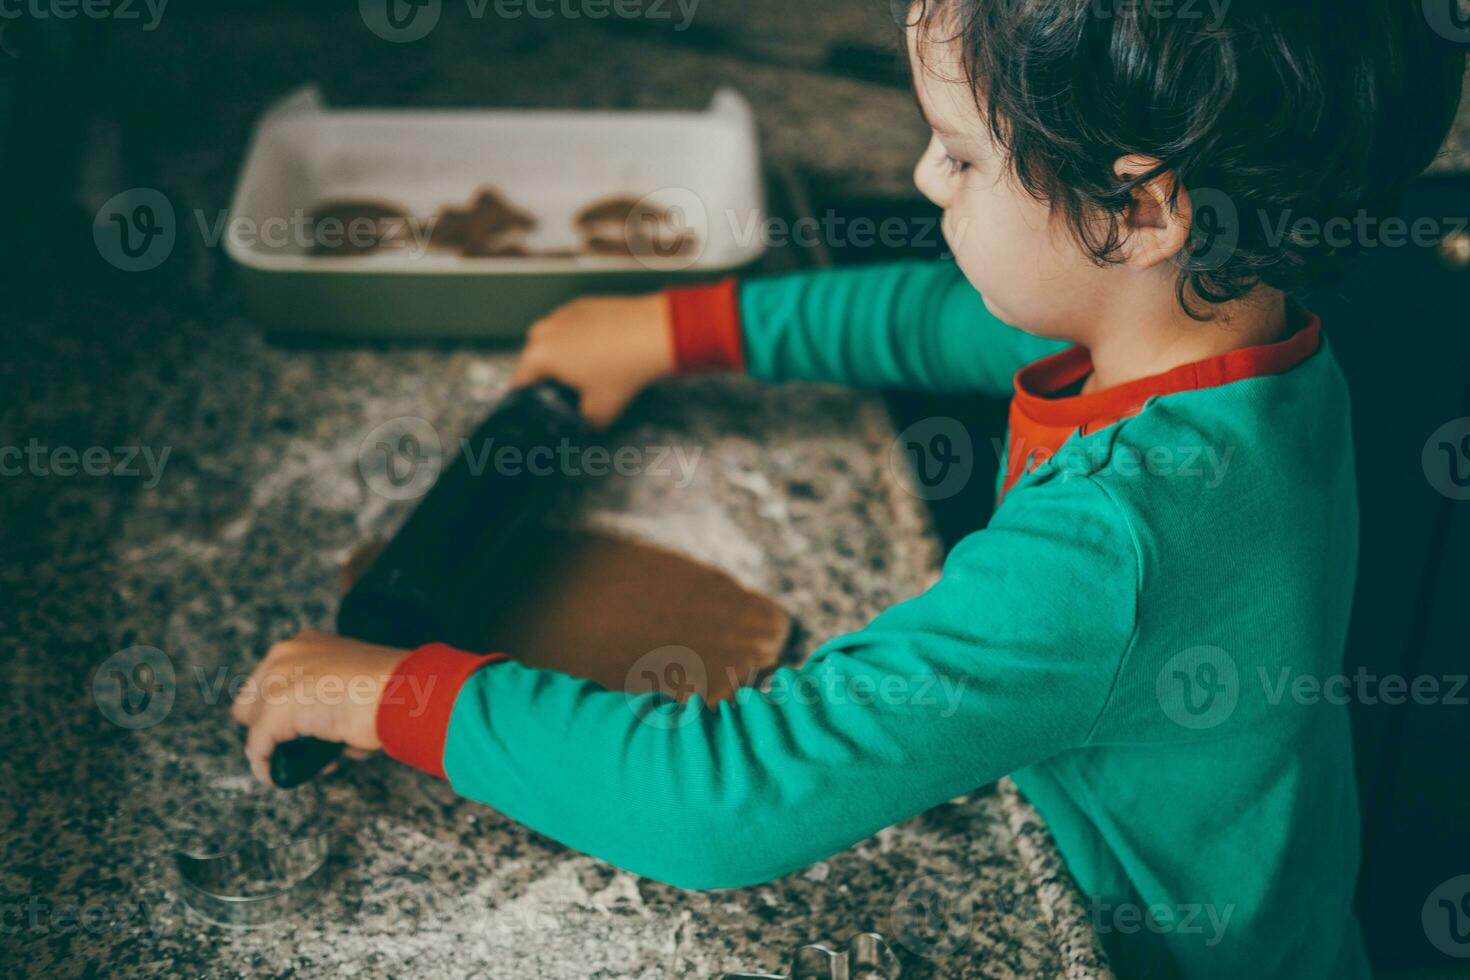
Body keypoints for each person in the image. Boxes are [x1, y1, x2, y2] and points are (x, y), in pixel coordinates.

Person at [232, 2, 1466, 974]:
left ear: (1141, 208)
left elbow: (725, 794)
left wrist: (398, 692)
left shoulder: (1115, 542)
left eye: (965, 154)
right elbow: (939, 318)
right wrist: (676, 327)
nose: (927, 178)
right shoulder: (1232, 336)